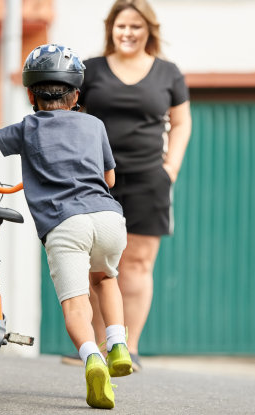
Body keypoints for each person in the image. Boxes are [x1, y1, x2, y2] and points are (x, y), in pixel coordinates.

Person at [0, 43, 132, 410]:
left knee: (76, 305)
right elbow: (109, 178)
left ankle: (91, 359)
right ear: (76, 94)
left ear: (31, 94)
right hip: (110, 219)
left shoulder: (28, 128)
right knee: (106, 278)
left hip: (67, 225)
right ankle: (117, 344)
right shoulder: (95, 125)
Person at [67, 0, 192, 371]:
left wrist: (170, 168)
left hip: (148, 180)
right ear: (112, 29)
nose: (128, 32)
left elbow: (182, 123)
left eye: (136, 26)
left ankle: (128, 349)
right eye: (122, 26)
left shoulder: (168, 73)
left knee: (137, 264)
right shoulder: (91, 69)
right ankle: (96, 348)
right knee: (97, 266)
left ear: (148, 31)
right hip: (96, 179)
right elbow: (70, 117)